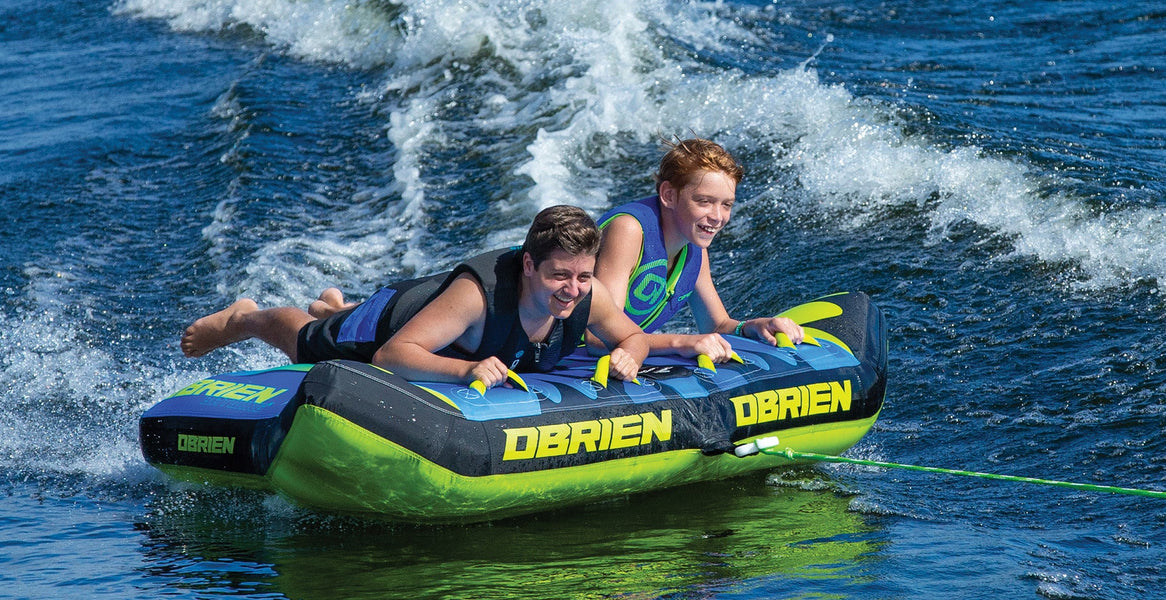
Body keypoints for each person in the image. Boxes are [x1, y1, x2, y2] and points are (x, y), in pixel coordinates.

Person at [180, 205, 648, 389]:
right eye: (559, 275)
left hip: (435, 317)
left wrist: (630, 354)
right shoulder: (477, 298)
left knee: (337, 317)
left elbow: (634, 337)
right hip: (392, 320)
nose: (572, 289)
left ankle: (334, 306)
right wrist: (465, 370)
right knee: (309, 341)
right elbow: (389, 356)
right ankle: (245, 318)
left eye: (583, 276)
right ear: (528, 265)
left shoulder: (588, 294)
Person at [592, 138, 804, 360]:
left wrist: (754, 327)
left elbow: (716, 325)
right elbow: (597, 339)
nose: (717, 217)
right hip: (569, 357)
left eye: (726, 204)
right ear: (669, 195)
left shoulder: (693, 246)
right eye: (704, 201)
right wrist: (681, 342)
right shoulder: (629, 230)